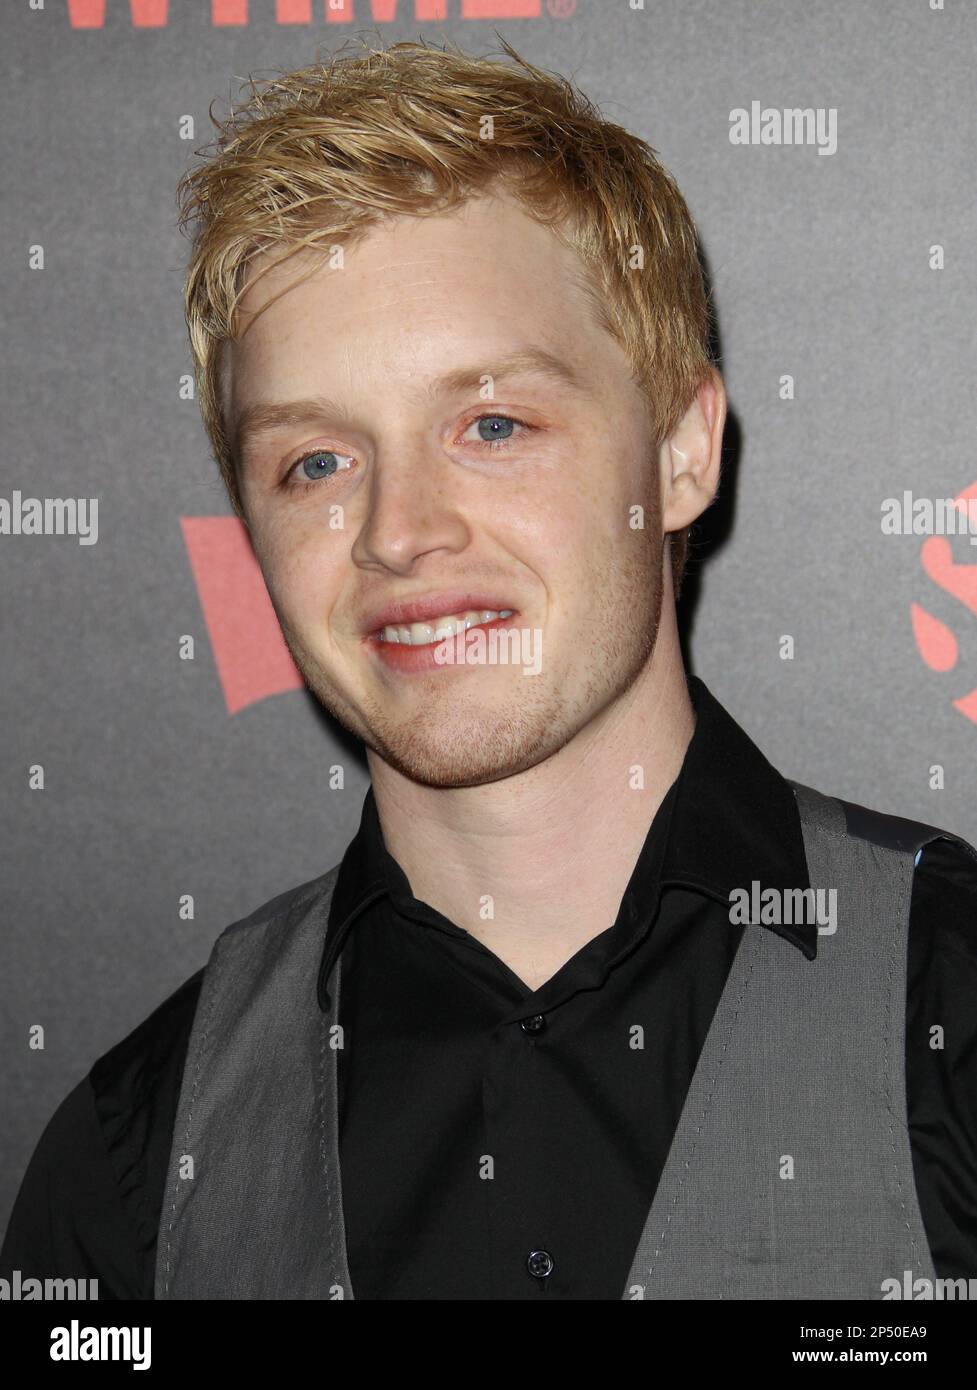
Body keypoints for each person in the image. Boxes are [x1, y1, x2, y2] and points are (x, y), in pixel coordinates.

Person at [3, 36, 976, 1302]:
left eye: (493, 424)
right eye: (315, 462)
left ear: (680, 452)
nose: (398, 530)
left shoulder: (949, 1011)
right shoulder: (135, 1156)